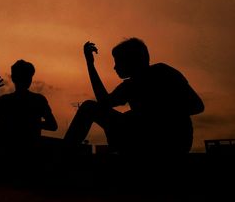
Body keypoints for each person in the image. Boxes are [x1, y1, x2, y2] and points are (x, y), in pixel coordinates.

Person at [64, 38, 204, 155]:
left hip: (172, 142)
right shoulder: (129, 85)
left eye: (117, 62)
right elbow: (104, 102)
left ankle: (63, 154)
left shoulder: (163, 72)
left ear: (131, 61)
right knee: (89, 107)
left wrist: (151, 115)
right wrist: (90, 64)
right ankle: (65, 152)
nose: (114, 67)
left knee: (93, 108)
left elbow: (197, 106)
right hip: (145, 138)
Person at [0, 59, 58, 161]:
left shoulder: (4, 101)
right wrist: (34, 124)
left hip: (8, 155)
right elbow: (53, 125)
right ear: (29, 80)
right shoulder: (38, 100)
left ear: (13, 78)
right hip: (29, 155)